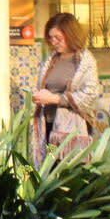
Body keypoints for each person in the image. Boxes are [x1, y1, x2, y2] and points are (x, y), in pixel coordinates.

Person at [32, 12, 101, 158]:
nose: (54, 42)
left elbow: (90, 95)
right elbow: (45, 88)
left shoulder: (85, 61)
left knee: (68, 166)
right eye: (51, 38)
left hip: (73, 130)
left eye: (58, 37)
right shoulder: (51, 60)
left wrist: (55, 99)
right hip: (48, 127)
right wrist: (38, 96)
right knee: (50, 165)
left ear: (71, 34)